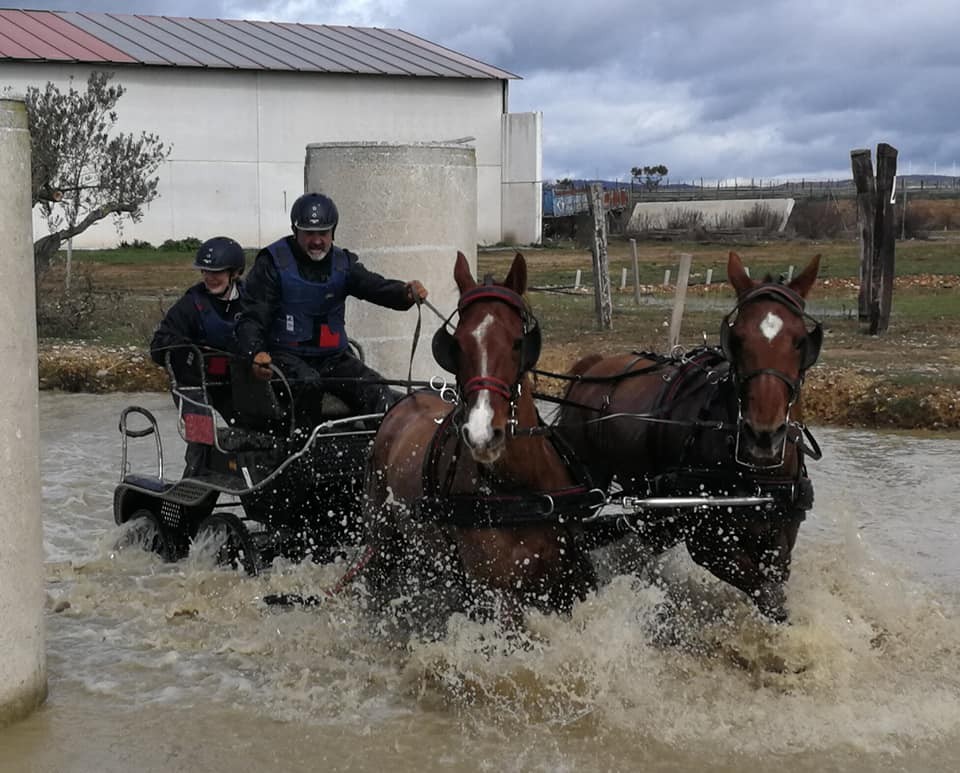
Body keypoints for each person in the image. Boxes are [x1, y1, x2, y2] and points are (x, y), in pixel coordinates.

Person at [235, 192, 428, 423]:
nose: (317, 240)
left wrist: (404, 294)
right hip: (285, 357)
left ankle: (377, 450)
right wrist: (255, 354)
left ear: (333, 232)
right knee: (308, 384)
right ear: (295, 231)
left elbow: (374, 286)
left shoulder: (343, 264)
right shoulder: (272, 264)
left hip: (333, 358)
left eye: (323, 233)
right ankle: (305, 452)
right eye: (309, 233)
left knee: (375, 388)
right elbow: (251, 317)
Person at [150, 236, 246, 475]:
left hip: (232, 383)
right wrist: (184, 348)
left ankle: (252, 484)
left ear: (234, 273)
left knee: (255, 432)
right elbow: (158, 346)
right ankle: (192, 487)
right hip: (193, 385)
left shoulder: (252, 299)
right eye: (206, 271)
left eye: (217, 272)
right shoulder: (191, 304)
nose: (210, 277)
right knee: (202, 438)